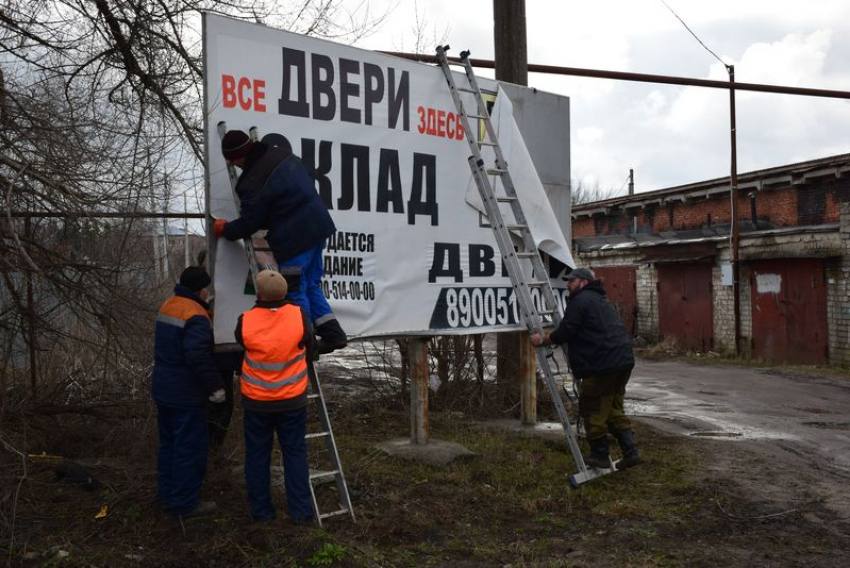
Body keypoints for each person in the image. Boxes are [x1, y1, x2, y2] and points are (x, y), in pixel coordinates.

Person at [214, 129, 347, 354]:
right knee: (311, 284)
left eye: (233, 161)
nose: (234, 166)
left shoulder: (251, 182)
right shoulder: (282, 154)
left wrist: (225, 229)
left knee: (294, 290)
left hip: (295, 240)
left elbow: (250, 222)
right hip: (318, 227)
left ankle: (305, 345)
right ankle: (333, 334)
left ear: (236, 158)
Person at [530, 267, 642, 470]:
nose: (567, 285)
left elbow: (567, 330)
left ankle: (599, 455)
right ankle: (631, 452)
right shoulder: (602, 300)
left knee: (592, 408)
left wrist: (543, 340)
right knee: (613, 407)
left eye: (571, 282)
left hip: (601, 365)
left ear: (583, 283)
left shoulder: (580, 301)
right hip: (623, 362)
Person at [235, 269, 316, 524]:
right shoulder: (299, 316)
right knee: (295, 453)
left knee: (258, 456)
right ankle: (301, 513)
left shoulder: (245, 320)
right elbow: (311, 348)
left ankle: (262, 513)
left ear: (258, 293)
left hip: (257, 401)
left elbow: (242, 344)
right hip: (292, 400)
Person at [152, 266, 226, 517]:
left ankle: (167, 494)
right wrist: (216, 386)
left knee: (170, 444)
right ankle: (183, 504)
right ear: (202, 289)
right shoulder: (196, 314)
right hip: (185, 392)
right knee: (189, 447)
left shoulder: (169, 304)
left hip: (163, 387)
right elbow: (197, 356)